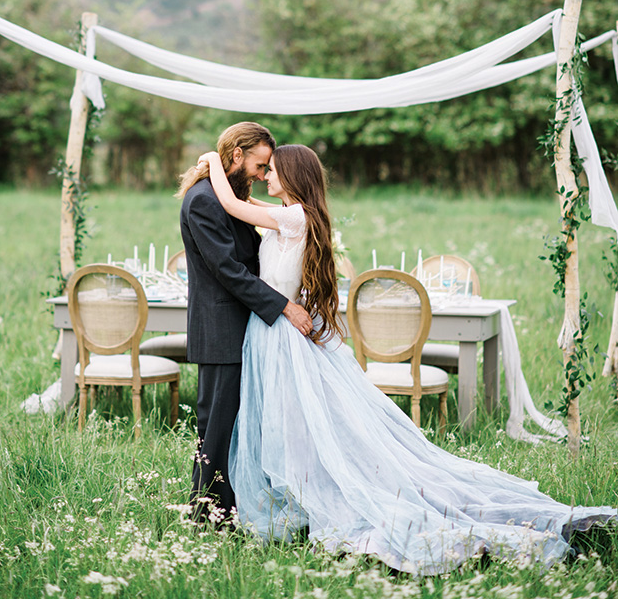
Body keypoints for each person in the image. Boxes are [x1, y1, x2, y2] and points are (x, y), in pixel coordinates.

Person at [197, 142, 617, 575]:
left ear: (293, 175)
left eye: (272, 170)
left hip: (278, 334)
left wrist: (212, 161)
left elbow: (231, 202)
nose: (266, 176)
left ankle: (302, 498)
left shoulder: (291, 216)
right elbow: (244, 203)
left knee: (290, 421)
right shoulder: (294, 214)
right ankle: (293, 496)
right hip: (274, 332)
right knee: (287, 421)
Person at [178, 122, 312, 523]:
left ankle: (236, 507)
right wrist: (285, 307)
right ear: (236, 156)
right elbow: (229, 271)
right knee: (217, 427)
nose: (261, 174)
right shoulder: (204, 200)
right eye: (259, 164)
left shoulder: (230, 196)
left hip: (246, 329)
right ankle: (207, 513)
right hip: (221, 330)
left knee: (239, 425)